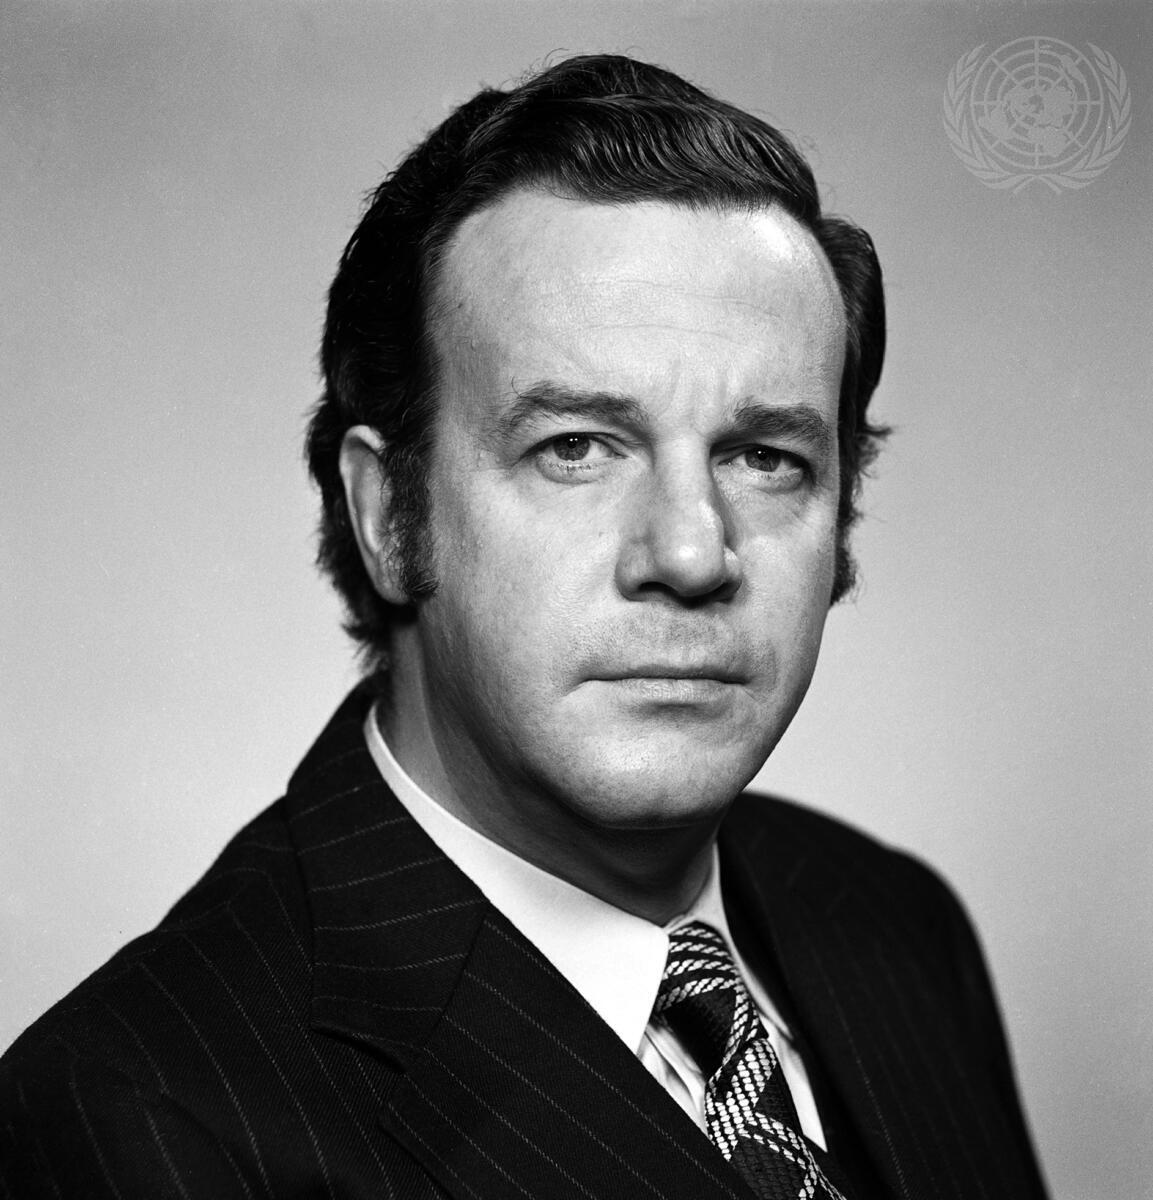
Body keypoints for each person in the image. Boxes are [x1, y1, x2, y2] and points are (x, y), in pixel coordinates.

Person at [0, 54, 1049, 1199]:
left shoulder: (896, 924)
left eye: (764, 458)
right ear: (389, 515)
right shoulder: (137, 1119)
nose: (691, 554)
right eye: (575, 448)